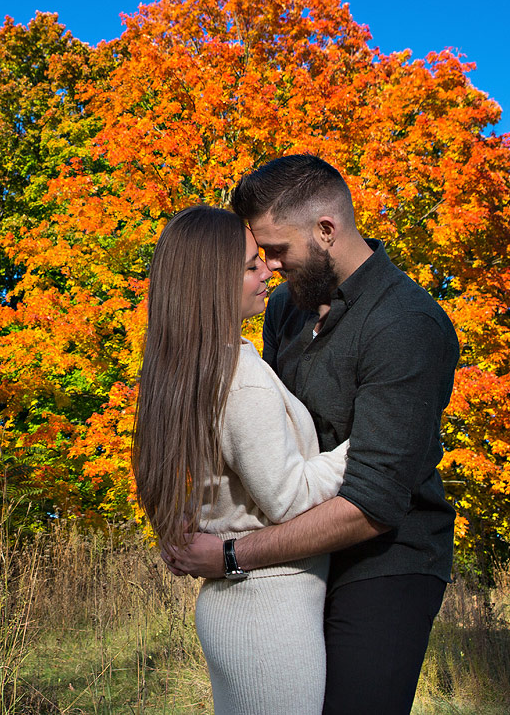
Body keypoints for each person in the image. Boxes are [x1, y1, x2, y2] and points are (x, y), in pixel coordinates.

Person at [162, 155, 461, 715]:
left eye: (276, 250)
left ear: (326, 230)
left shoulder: (405, 324)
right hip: (296, 559)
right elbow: (257, 430)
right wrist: (197, 501)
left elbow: (374, 503)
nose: (269, 268)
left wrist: (231, 554)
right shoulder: (287, 311)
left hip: (383, 562)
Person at [135, 204, 349, 715]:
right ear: (211, 284)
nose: (268, 271)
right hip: (268, 612)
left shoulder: (181, 371)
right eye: (251, 266)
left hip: (236, 607)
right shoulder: (239, 375)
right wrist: (367, 451)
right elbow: (289, 498)